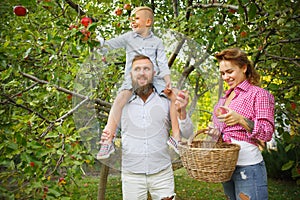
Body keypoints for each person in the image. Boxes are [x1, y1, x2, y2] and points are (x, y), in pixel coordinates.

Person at [101, 55, 194, 200]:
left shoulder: (166, 99)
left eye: (146, 69)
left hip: (162, 172)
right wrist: (108, 137)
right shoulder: (121, 103)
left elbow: (188, 133)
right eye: (137, 69)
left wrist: (182, 112)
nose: (142, 72)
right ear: (131, 74)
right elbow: (112, 127)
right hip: (132, 175)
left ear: (153, 73)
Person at [97, 6, 181, 159]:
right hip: (133, 78)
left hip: (153, 78)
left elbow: (162, 63)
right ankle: (108, 140)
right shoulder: (128, 37)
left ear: (148, 22)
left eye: (135, 19)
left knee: (174, 97)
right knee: (120, 99)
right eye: (131, 20)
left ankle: (176, 138)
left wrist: (168, 82)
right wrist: (97, 42)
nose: (132, 22)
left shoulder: (157, 42)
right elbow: (110, 45)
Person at [211, 47, 275, 200]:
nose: (226, 77)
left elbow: (266, 132)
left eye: (230, 72)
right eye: (222, 73)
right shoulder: (223, 99)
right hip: (226, 167)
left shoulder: (259, 94)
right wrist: (214, 133)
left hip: (249, 166)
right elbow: (222, 133)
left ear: (244, 68)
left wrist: (240, 119)